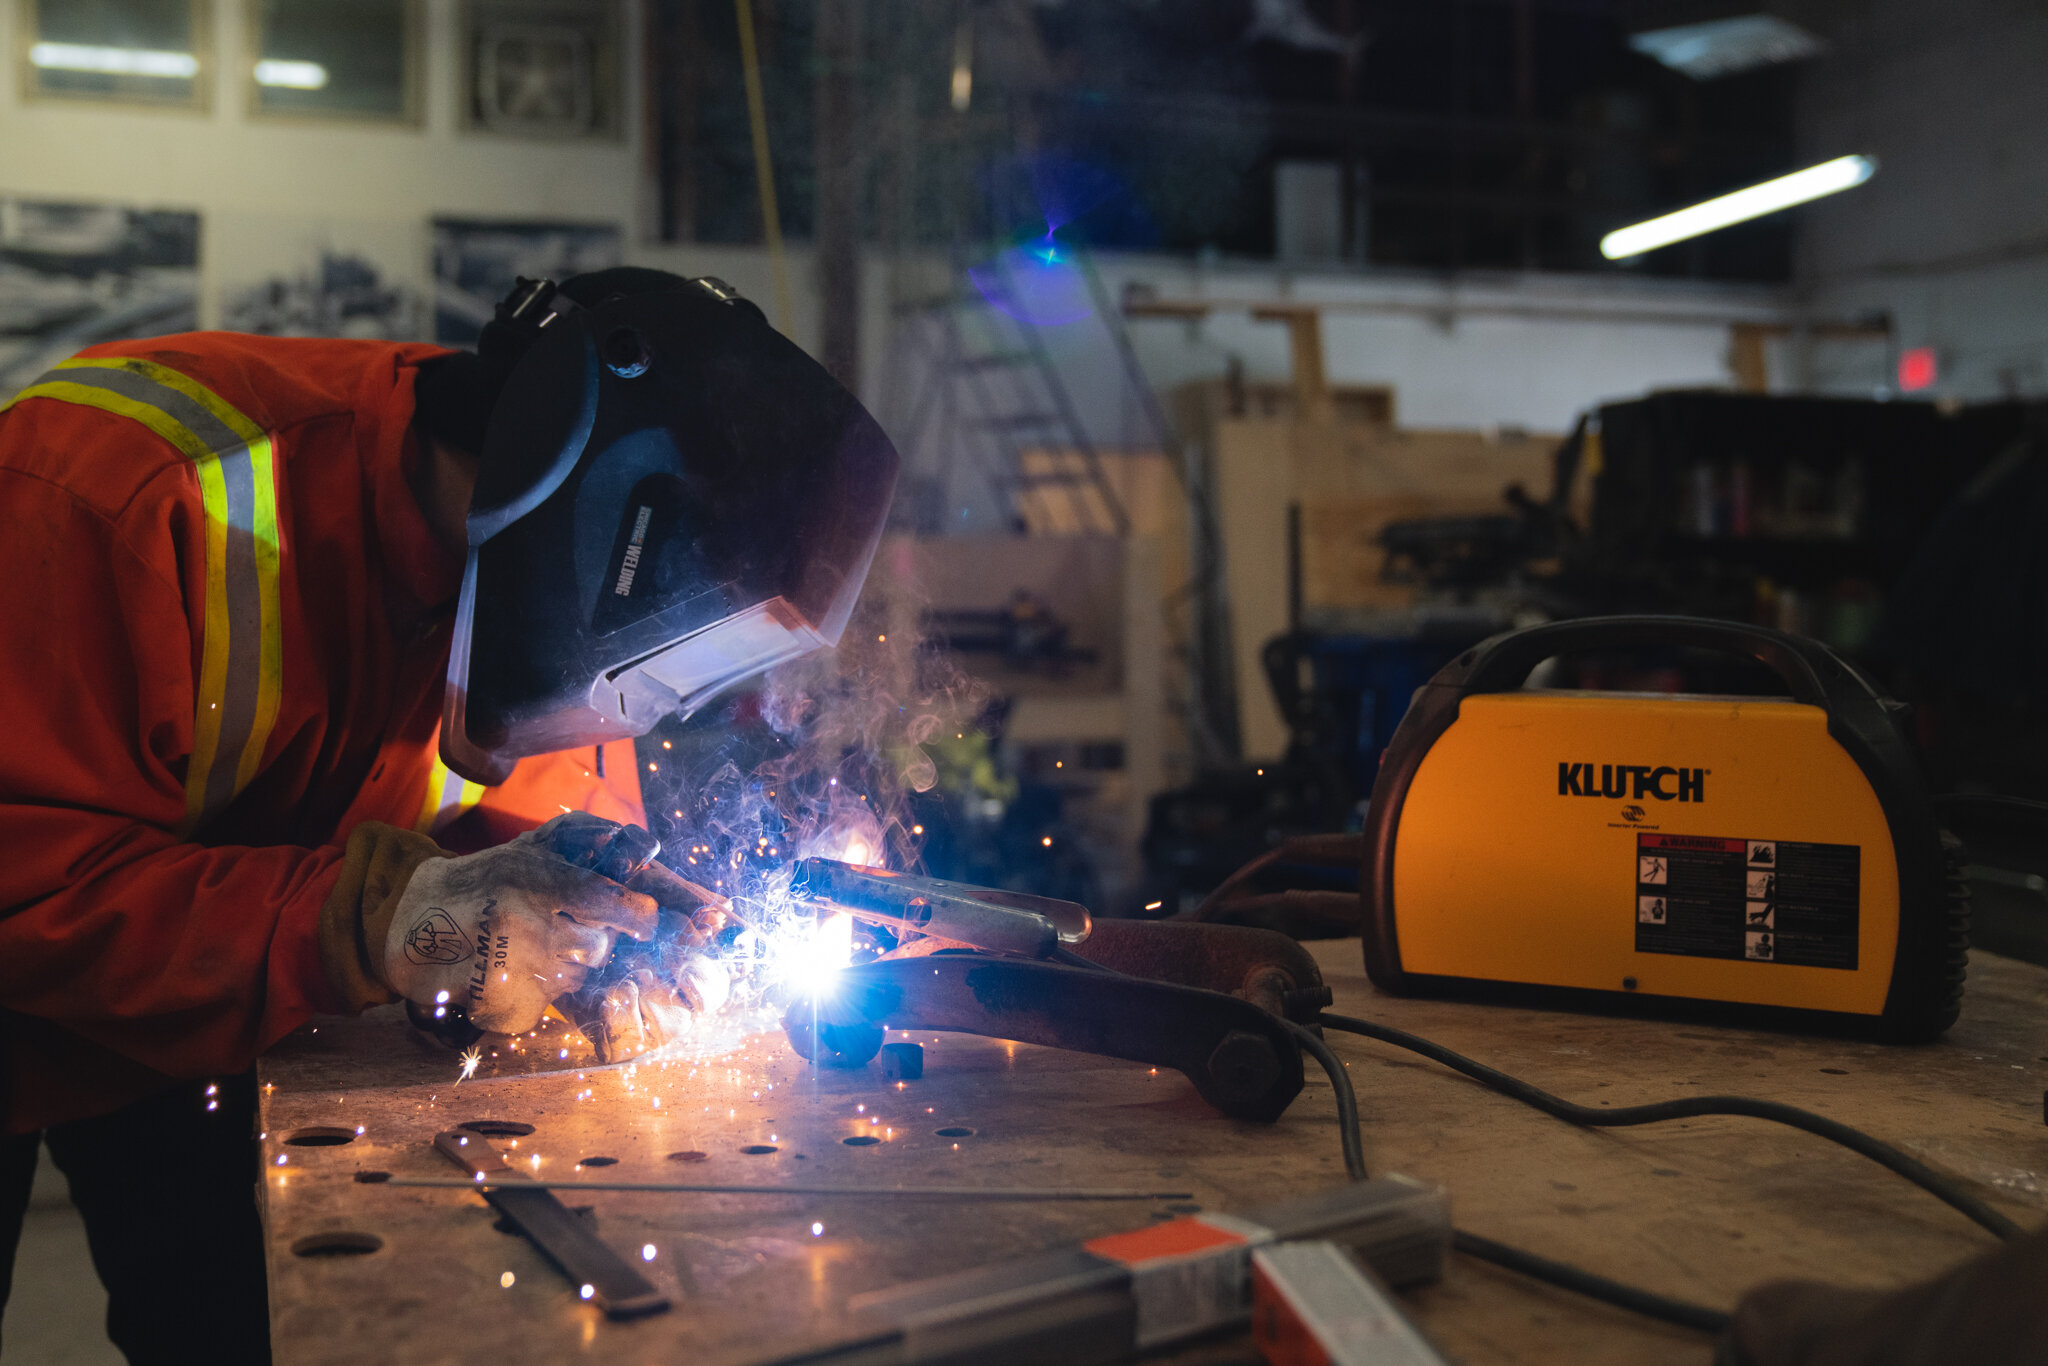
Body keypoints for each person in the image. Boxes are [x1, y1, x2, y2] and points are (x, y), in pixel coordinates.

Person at [0, 268, 897, 1362]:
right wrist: (376, 917)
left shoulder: (529, 604)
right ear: (607, 522)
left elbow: (532, 863)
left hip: (205, 1018)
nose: (651, 699)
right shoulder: (116, 494)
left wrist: (596, 949)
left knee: (249, 1324)